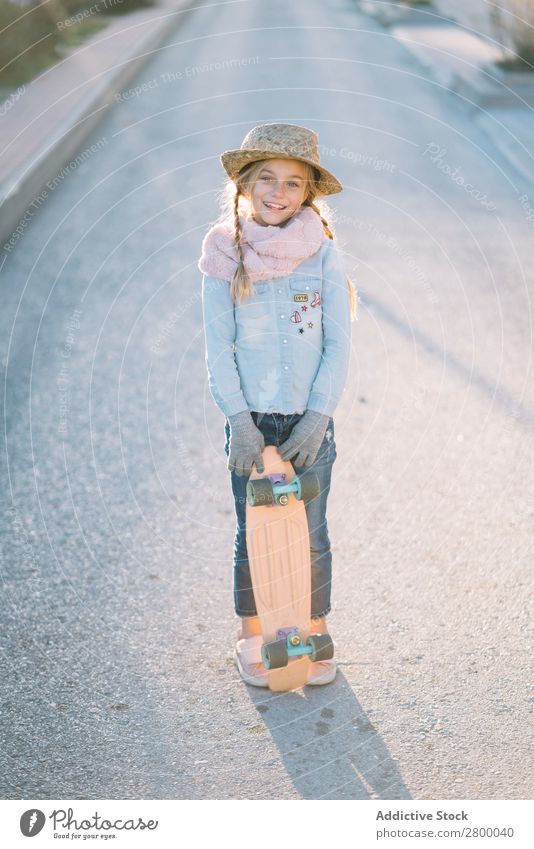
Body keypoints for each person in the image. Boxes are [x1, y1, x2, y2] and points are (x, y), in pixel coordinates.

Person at [199, 123, 356, 687]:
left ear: (307, 192)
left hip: (309, 419)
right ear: (244, 182)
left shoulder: (323, 254)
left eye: (292, 182)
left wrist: (318, 417)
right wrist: (240, 422)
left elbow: (338, 342)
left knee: (310, 529)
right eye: (266, 178)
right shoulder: (223, 250)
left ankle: (309, 631)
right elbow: (219, 346)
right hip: (252, 421)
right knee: (256, 529)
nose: (277, 191)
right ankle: (254, 634)